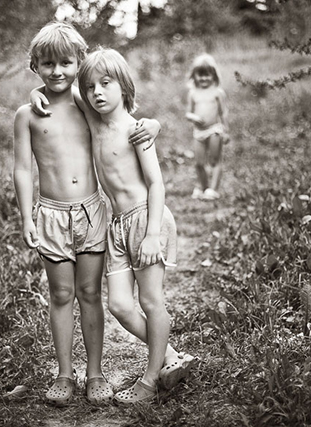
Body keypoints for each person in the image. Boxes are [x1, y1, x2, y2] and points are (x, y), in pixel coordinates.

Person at [13, 21, 160, 406]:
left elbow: (123, 116)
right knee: (61, 294)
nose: (56, 71)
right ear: (34, 66)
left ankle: (95, 373)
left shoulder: (86, 105)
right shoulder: (27, 115)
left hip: (91, 213)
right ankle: (65, 373)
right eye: (47, 64)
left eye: (65, 63)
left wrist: (154, 124)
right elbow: (23, 168)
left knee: (90, 293)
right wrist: (26, 217)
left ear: (78, 64)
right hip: (51, 215)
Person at [74, 47, 195, 404]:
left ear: (124, 86)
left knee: (151, 300)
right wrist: (37, 93)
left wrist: (153, 234)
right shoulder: (93, 122)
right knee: (120, 305)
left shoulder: (135, 131)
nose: (96, 92)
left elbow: (157, 184)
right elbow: (63, 88)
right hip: (117, 226)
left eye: (105, 83)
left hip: (145, 220)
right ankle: (170, 356)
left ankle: (150, 380)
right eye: (91, 86)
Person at [185, 53, 230, 200]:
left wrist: (226, 131)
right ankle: (204, 188)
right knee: (199, 163)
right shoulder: (193, 93)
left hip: (214, 129)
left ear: (214, 75)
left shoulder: (217, 92)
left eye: (207, 75)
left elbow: (223, 112)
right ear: (194, 75)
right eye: (200, 75)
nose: (204, 78)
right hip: (199, 132)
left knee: (215, 160)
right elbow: (188, 113)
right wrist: (194, 117)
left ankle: (213, 189)